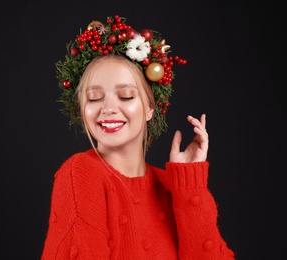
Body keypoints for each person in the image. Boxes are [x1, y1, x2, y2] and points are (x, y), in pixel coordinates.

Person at [41, 14, 235, 259]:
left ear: (149, 109)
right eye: (94, 98)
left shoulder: (168, 185)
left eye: (126, 96)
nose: (108, 108)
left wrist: (189, 186)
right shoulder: (80, 172)